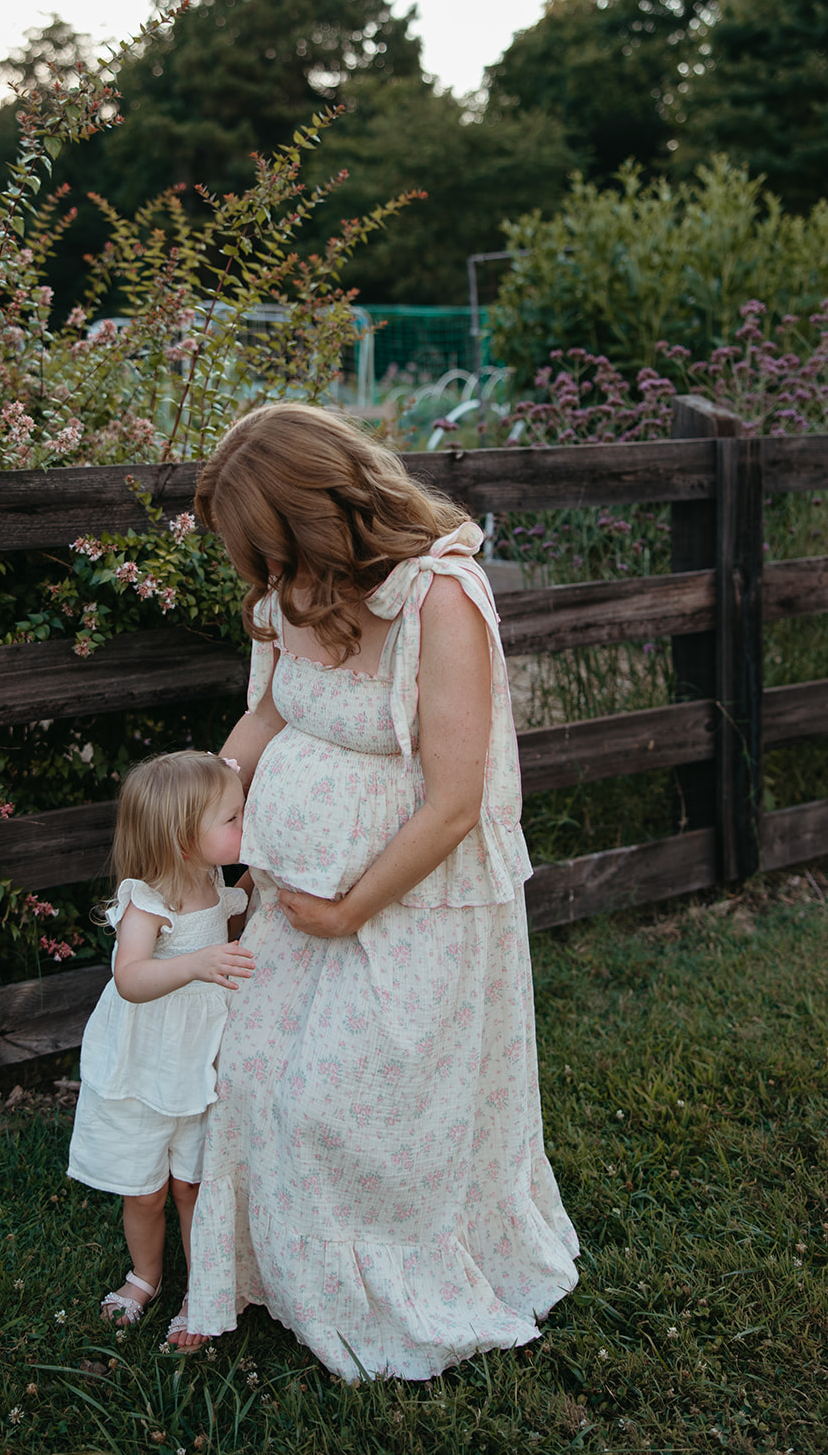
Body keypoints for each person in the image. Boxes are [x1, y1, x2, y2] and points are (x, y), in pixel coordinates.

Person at [185, 402, 579, 1381]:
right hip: (291, 900)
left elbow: (451, 804)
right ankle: (290, 1269)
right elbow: (271, 708)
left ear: (318, 520)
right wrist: (208, 805)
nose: (263, 581)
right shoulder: (292, 591)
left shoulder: (439, 597)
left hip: (409, 906)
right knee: (254, 1079)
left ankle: (391, 1277)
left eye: (269, 552)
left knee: (337, 1105)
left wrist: (349, 906)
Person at [67, 750, 255, 1353]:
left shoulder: (210, 876)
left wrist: (265, 882)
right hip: (145, 1065)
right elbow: (131, 978)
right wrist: (196, 964)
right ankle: (145, 1275)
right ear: (182, 839)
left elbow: (237, 907)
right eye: (234, 819)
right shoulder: (147, 901)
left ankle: (205, 1288)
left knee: (192, 1184)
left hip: (196, 1060)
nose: (245, 826)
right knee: (145, 1190)